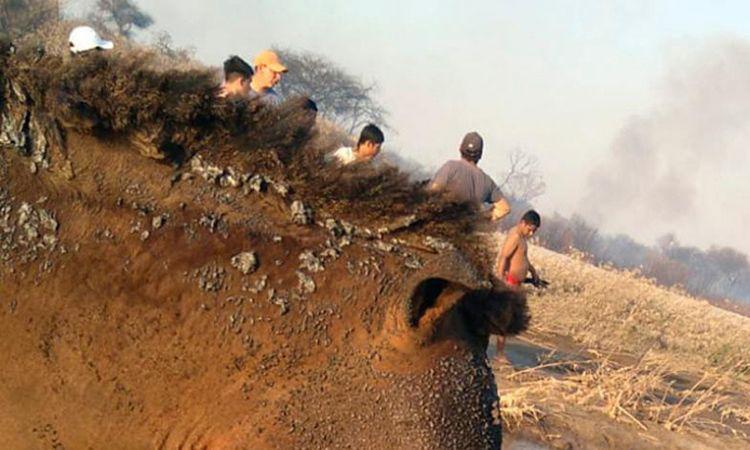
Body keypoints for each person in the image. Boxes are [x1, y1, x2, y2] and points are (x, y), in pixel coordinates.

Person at [429, 131, 511, 221]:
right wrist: (482, 218)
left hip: (442, 225)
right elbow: (504, 208)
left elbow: (432, 193)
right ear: (480, 154)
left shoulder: (451, 167)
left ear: (460, 148)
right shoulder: (487, 181)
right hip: (466, 231)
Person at [494, 209, 541, 358]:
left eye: (534, 231)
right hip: (508, 283)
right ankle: (499, 354)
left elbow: (523, 258)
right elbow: (503, 258)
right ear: (522, 223)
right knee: (504, 319)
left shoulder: (522, 238)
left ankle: (500, 352)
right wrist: (501, 282)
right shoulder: (515, 236)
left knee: (507, 319)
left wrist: (533, 272)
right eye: (529, 229)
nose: (531, 234)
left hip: (516, 284)